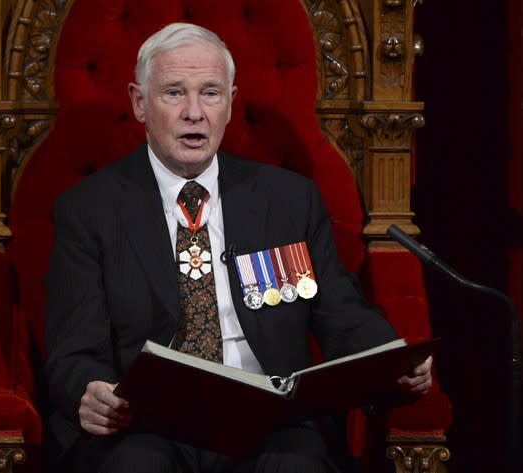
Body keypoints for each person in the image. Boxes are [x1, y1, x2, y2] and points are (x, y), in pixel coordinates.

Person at [44, 22, 433, 473]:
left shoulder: (288, 199)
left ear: (230, 103)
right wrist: (88, 389)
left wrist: (390, 361)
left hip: (270, 418)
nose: (194, 112)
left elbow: (341, 313)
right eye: (174, 93)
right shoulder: (90, 208)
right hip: (146, 424)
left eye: (210, 93)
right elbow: (74, 349)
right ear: (139, 103)